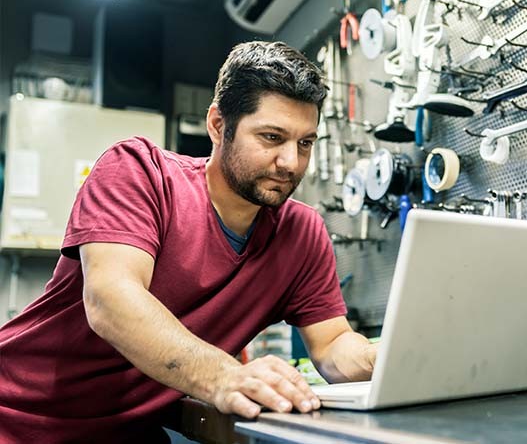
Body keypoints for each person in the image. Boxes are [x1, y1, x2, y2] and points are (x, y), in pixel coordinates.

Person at [0, 41, 377, 443]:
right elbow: (111, 301)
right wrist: (225, 376)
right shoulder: (139, 172)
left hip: (128, 431)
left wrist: (389, 360)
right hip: (20, 419)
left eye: (305, 143)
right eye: (271, 137)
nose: (291, 163)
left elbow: (333, 344)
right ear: (218, 124)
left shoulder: (302, 233)